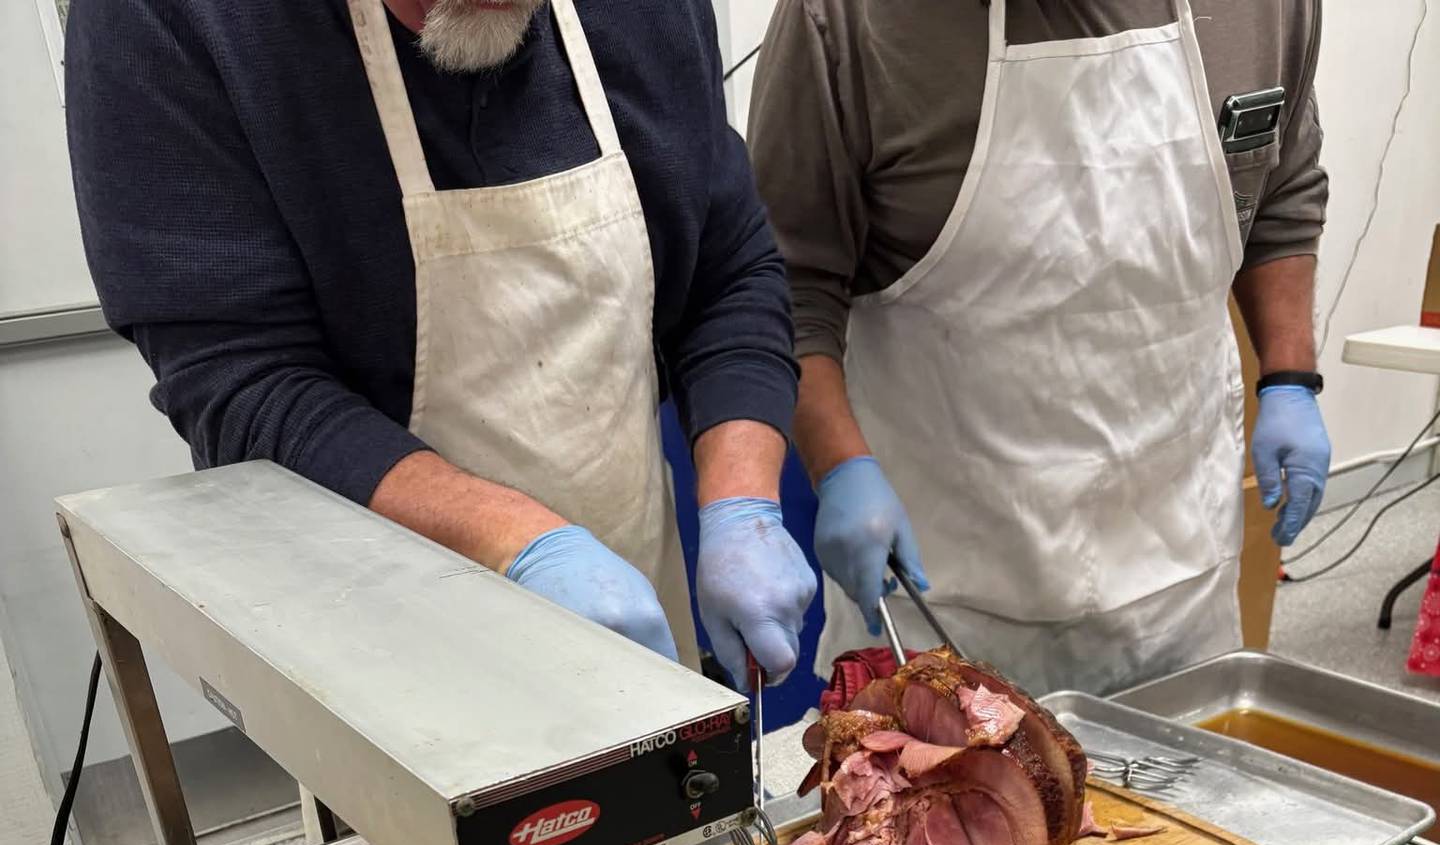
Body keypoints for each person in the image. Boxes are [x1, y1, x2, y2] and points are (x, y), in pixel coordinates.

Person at [66, 0, 816, 689]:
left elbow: (728, 264)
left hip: (636, 608)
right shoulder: (172, 21)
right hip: (386, 656)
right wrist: (526, 545)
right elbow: (242, 379)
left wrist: (742, 503)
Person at [749, 0, 1331, 693]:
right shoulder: (848, 19)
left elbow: (1282, 193)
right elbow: (791, 282)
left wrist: (1290, 376)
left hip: (1176, 577)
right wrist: (839, 466)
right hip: (944, 592)